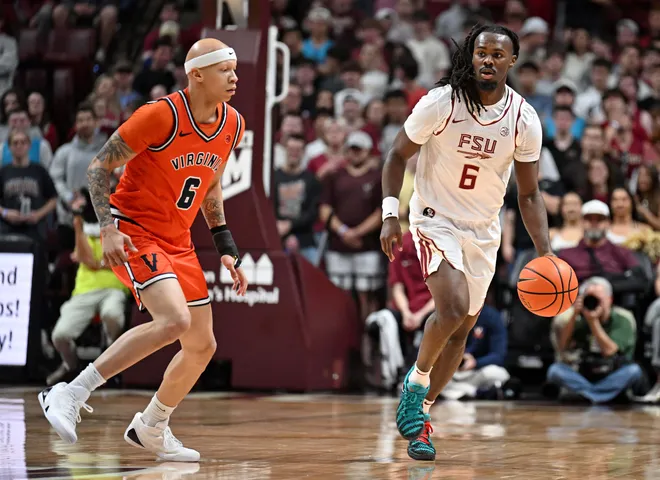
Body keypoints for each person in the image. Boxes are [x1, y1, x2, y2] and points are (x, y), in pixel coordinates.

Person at [38, 38, 248, 462]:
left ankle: (152, 425)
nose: (234, 77)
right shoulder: (160, 115)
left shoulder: (233, 124)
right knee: (172, 320)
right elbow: (99, 167)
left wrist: (225, 245)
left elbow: (211, 184)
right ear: (197, 75)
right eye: (225, 70)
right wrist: (108, 228)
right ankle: (69, 392)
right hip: (135, 230)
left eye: (235, 68)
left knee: (202, 345)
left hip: (179, 241)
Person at [379, 24, 551, 461]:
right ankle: (415, 384)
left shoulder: (523, 119)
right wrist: (389, 214)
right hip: (435, 218)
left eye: (498, 54)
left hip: (483, 229)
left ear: (512, 62)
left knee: (460, 332)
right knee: (451, 308)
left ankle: (422, 421)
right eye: (481, 53)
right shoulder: (442, 103)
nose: (488, 60)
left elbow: (528, 194)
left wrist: (545, 253)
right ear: (471, 58)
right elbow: (397, 155)